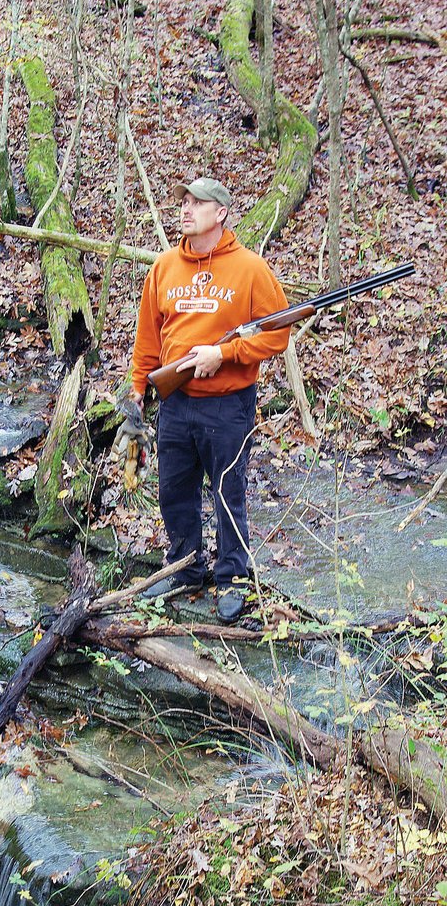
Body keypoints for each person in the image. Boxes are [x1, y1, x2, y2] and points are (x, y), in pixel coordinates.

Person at [130, 176, 290, 623]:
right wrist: (136, 390)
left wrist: (224, 353)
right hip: (176, 403)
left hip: (228, 403)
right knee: (173, 491)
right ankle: (185, 566)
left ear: (220, 213)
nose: (185, 209)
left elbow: (278, 333)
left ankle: (232, 577)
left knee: (227, 493)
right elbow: (148, 338)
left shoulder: (250, 269)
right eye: (183, 201)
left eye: (197, 203)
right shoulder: (163, 268)